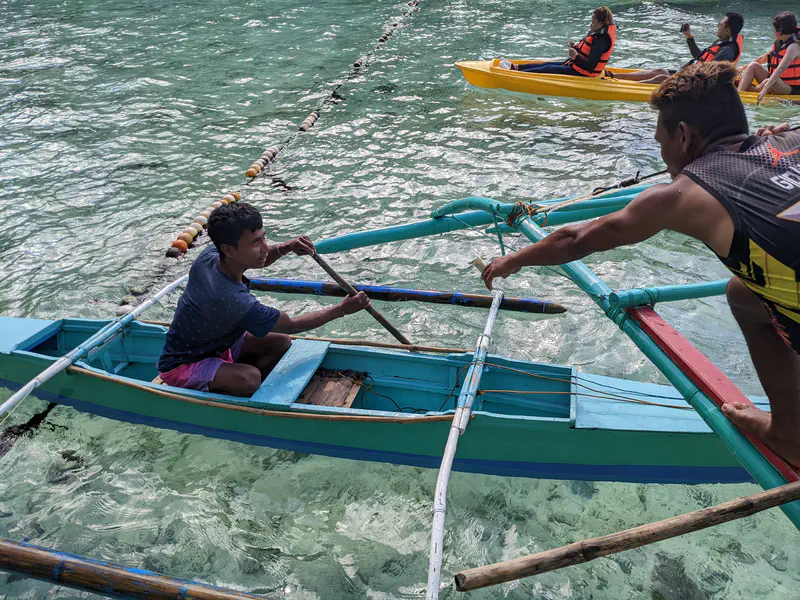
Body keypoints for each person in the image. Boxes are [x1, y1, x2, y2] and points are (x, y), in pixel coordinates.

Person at [481, 62, 800, 467]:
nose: (662, 156)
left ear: (683, 136)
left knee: (744, 292)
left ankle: (789, 434)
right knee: (742, 293)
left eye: (660, 141)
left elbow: (575, 239)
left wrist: (513, 259)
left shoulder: (682, 196)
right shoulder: (791, 138)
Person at [156, 203, 371, 397]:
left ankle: (235, 380)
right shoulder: (232, 298)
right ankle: (230, 393)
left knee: (281, 341)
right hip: (183, 364)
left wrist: (285, 247)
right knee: (250, 378)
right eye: (255, 243)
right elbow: (292, 324)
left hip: (218, 345)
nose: (265, 248)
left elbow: (260, 258)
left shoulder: (212, 253)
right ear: (228, 250)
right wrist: (342, 309)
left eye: (263, 238)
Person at [610, 13, 744, 85]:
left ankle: (628, 87)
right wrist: (689, 37)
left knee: (662, 78)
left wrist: (685, 76)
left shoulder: (727, 50)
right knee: (660, 71)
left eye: (720, 24)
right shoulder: (722, 43)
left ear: (727, 30)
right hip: (691, 76)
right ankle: (616, 76)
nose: (717, 25)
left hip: (698, 84)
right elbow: (699, 57)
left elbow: (709, 74)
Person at [499, 7, 616, 77]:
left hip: (584, 73)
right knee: (546, 64)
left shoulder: (602, 40)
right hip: (577, 66)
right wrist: (576, 47)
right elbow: (588, 52)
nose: (591, 25)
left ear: (601, 24)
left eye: (593, 22)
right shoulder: (598, 35)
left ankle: (513, 74)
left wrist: (575, 56)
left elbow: (590, 66)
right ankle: (513, 67)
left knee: (547, 69)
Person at [737, 11, 800, 102]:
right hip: (776, 80)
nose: (773, 31)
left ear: (779, 31)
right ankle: (739, 94)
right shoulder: (781, 42)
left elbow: (781, 68)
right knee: (753, 65)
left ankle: (752, 90)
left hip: (791, 88)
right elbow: (764, 58)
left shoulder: (794, 47)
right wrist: (743, 68)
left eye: (774, 29)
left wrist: (765, 88)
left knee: (770, 81)